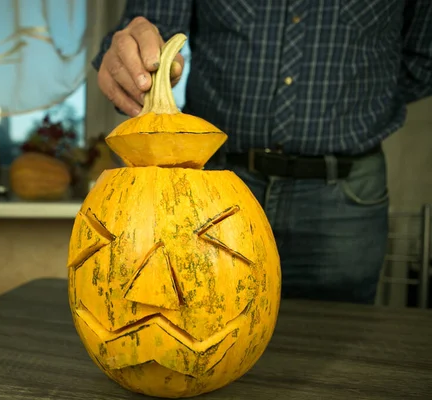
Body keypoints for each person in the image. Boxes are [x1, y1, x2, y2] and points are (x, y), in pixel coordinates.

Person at [92, 1, 432, 305]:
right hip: (210, 190)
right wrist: (131, 52)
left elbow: (424, 58)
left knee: (341, 342)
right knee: (188, 314)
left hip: (346, 193)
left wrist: (365, 107)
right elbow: (150, 28)